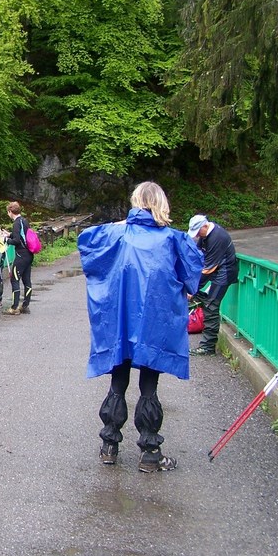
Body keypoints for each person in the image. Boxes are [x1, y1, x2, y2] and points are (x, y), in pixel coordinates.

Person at [78, 182, 203, 472]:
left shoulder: (116, 234)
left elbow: (86, 242)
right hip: (153, 324)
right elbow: (193, 273)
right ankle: (150, 452)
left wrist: (123, 222)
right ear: (162, 204)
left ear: (135, 202)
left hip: (120, 323)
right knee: (149, 384)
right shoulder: (172, 239)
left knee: (118, 380)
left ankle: (110, 445)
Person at [187, 214, 239, 356]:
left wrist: (192, 289)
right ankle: (201, 325)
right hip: (216, 271)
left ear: (205, 226)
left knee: (211, 306)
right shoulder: (205, 236)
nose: (197, 235)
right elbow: (198, 257)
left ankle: (208, 347)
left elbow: (209, 268)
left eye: (198, 232)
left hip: (225, 272)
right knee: (203, 299)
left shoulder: (217, 236)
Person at [2, 201, 34, 315]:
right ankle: (25, 306)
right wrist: (9, 234)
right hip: (29, 254)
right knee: (27, 280)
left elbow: (16, 241)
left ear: (10, 212)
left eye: (8, 212)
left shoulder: (16, 223)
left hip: (21, 255)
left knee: (14, 279)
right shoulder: (24, 221)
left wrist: (5, 239)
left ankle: (14, 307)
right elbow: (22, 236)